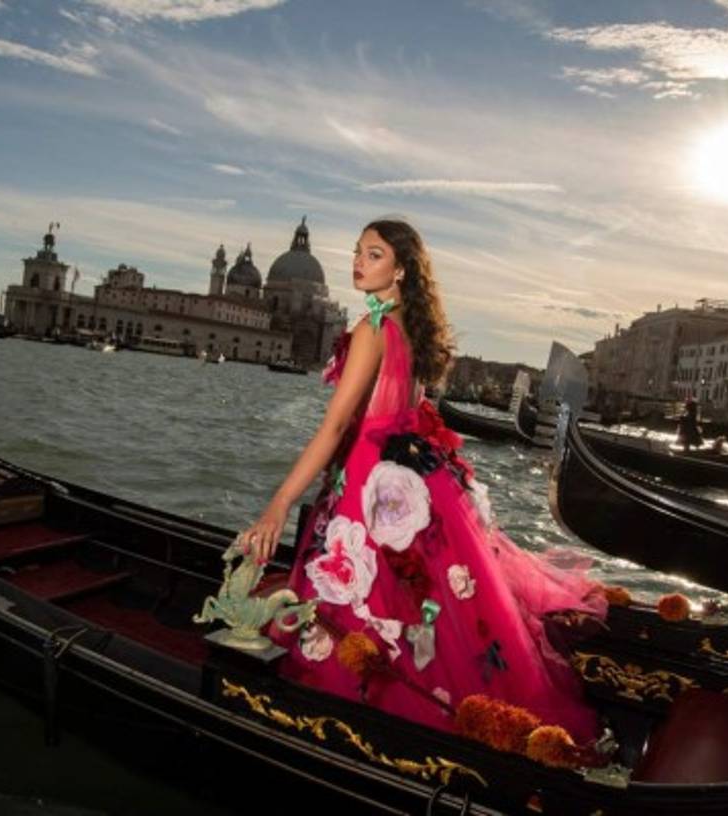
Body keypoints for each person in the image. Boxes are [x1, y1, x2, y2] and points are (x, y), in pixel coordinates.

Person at [240, 220, 607, 743]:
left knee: (362, 604)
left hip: (370, 483)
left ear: (401, 270)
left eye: (374, 254)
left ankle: (345, 721)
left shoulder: (371, 330)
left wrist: (279, 502)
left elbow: (340, 424)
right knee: (415, 610)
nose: (359, 262)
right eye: (357, 252)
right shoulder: (406, 328)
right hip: (411, 478)